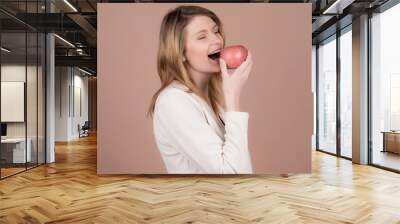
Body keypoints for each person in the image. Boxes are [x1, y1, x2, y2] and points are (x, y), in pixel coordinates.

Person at [147, 5, 253, 174]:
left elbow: (241, 167)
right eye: (202, 37)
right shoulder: (173, 101)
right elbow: (231, 175)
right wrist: (233, 95)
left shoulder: (210, 101)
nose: (218, 40)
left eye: (216, 31)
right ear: (180, 52)